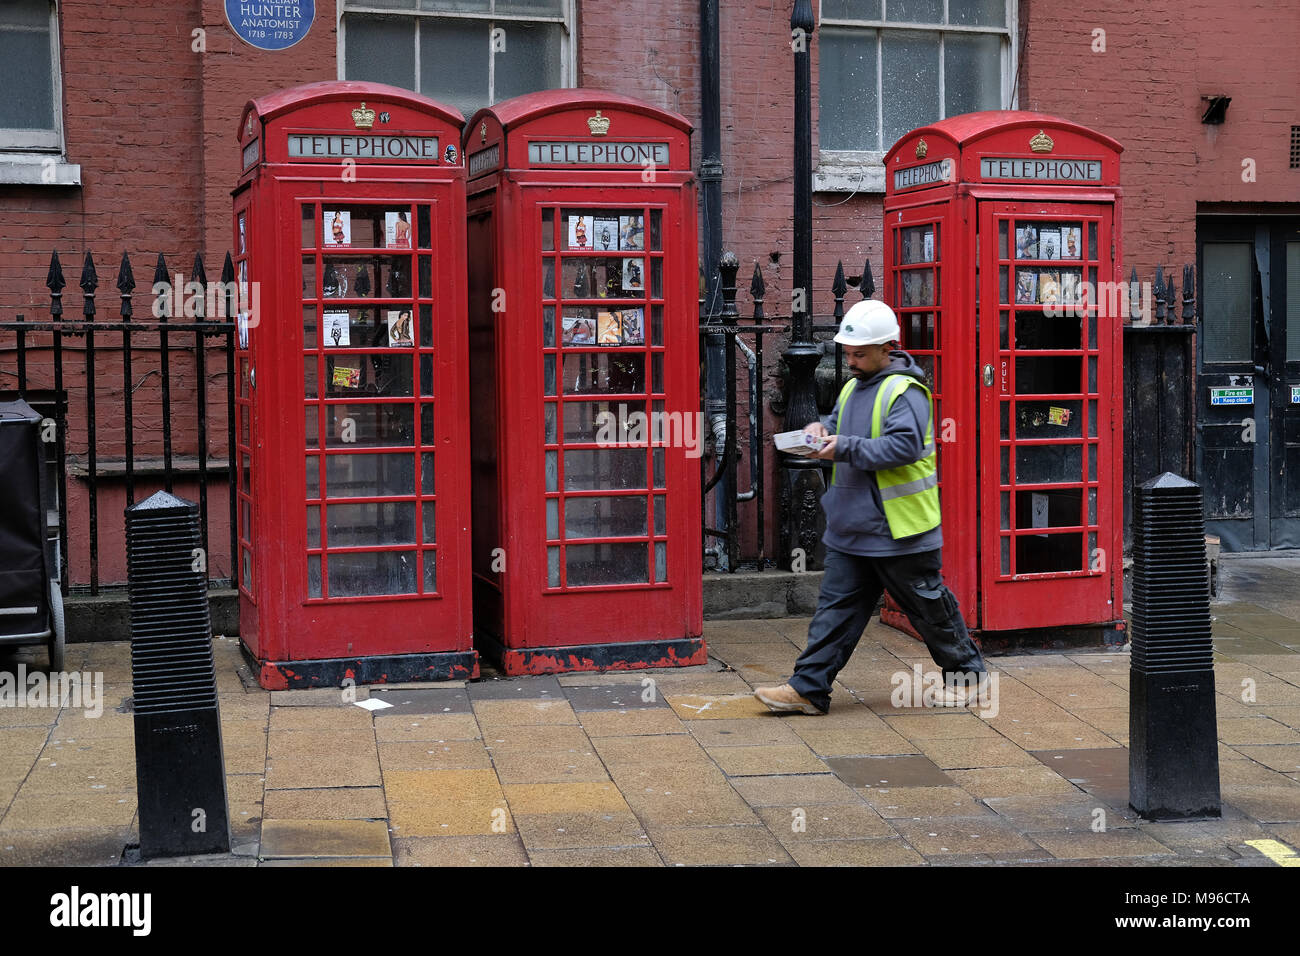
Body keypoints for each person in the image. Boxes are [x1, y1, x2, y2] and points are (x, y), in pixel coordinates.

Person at [755, 299, 987, 715]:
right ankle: (808, 688)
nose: (852, 360)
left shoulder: (906, 391)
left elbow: (903, 447)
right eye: (848, 352)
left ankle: (967, 677)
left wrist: (839, 446)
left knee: (928, 607)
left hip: (900, 529)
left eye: (860, 353)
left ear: (887, 347)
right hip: (853, 527)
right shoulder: (851, 387)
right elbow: (838, 425)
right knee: (835, 611)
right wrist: (818, 429)